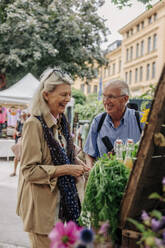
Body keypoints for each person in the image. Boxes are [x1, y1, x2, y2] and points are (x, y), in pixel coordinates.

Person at [16, 67, 90, 248]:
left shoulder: (61, 122)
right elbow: (29, 170)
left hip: (59, 208)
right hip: (41, 213)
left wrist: (79, 163)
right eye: (63, 94)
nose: (67, 99)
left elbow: (66, 154)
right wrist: (67, 169)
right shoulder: (34, 124)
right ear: (46, 95)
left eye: (69, 94)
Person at [84, 80, 144, 168]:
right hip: (105, 179)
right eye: (104, 96)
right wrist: (91, 172)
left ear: (125, 99)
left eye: (111, 97)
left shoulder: (141, 120)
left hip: (133, 178)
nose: (106, 101)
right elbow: (89, 153)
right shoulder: (98, 121)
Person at [10, 110, 27, 177]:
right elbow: (15, 129)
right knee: (16, 156)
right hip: (19, 139)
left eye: (24, 115)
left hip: (25, 139)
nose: (23, 116)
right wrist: (17, 133)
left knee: (24, 156)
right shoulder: (19, 121)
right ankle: (14, 171)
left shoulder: (28, 121)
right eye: (22, 115)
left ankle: (23, 172)